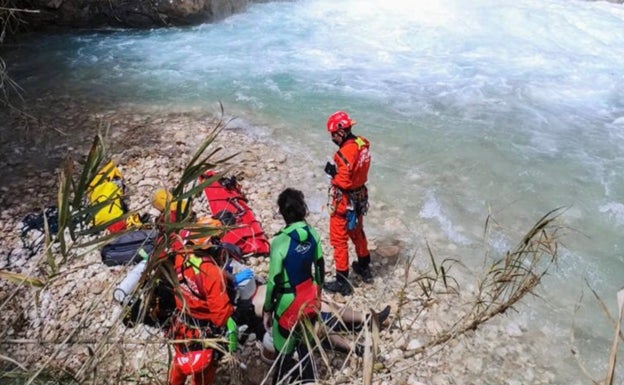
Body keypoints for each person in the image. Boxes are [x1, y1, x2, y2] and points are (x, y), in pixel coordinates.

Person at [262, 188, 324, 384]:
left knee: (283, 354)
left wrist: (267, 309)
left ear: (282, 212)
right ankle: (308, 380)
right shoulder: (312, 233)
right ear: (303, 209)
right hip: (310, 298)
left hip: (287, 303)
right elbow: (320, 268)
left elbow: (273, 281)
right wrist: (318, 295)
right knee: (306, 350)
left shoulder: (280, 241)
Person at [167, 216, 238, 385]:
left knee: (180, 361)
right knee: (204, 370)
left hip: (180, 325)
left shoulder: (180, 256)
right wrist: (234, 307)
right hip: (202, 332)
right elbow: (220, 317)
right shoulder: (212, 273)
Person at [323, 110, 373, 296]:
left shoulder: (344, 153)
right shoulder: (362, 143)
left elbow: (343, 181)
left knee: (339, 240)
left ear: (341, 132)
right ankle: (364, 266)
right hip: (359, 197)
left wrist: (332, 173)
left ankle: (342, 282)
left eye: (333, 135)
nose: (332, 138)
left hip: (345, 201)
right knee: (357, 232)